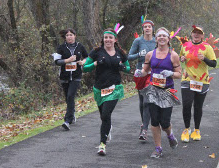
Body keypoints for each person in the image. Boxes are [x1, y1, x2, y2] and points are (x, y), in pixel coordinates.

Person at [134, 27, 181, 158]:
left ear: (168, 39)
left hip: (167, 91)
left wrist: (171, 73)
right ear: (156, 38)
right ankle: (158, 148)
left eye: (164, 36)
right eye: (159, 36)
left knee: (165, 122)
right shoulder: (150, 54)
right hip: (153, 91)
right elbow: (145, 70)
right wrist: (139, 73)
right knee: (154, 121)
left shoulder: (173, 55)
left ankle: (170, 134)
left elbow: (179, 74)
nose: (161, 38)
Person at [83, 28, 130, 156]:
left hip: (114, 89)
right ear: (103, 39)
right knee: (104, 116)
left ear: (115, 39)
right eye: (106, 37)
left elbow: (128, 68)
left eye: (110, 37)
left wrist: (123, 67)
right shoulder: (96, 52)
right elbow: (85, 68)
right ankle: (107, 128)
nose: (108, 40)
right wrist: (96, 63)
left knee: (105, 114)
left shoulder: (120, 52)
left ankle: (102, 144)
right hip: (99, 89)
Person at [179, 25, 217, 143]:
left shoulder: (207, 47)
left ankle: (196, 130)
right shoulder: (185, 46)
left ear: (202, 35)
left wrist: (204, 59)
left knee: (198, 106)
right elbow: (181, 57)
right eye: (194, 32)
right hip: (187, 79)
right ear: (191, 34)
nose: (196, 34)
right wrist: (181, 59)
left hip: (202, 80)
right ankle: (186, 129)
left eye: (199, 33)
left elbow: (214, 64)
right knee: (186, 104)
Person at [52, 28, 88, 131]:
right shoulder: (61, 47)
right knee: (68, 98)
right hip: (64, 76)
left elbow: (88, 57)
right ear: (65, 37)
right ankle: (72, 114)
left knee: (70, 96)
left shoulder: (80, 46)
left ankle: (67, 121)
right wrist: (68, 60)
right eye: (67, 35)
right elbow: (57, 61)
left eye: (71, 35)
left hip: (76, 75)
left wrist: (83, 62)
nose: (69, 37)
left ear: (75, 36)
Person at [128, 20, 156, 141]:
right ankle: (144, 123)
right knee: (141, 101)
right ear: (143, 29)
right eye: (145, 27)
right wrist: (140, 54)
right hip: (141, 72)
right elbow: (129, 56)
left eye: (149, 27)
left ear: (152, 28)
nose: (147, 29)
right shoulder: (138, 41)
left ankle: (144, 129)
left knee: (146, 101)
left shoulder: (157, 40)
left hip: (154, 73)